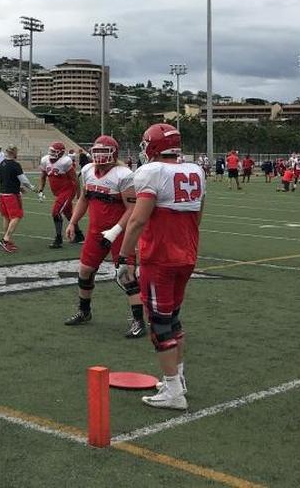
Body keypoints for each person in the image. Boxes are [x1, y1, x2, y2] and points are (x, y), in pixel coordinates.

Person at [116, 123, 203, 410]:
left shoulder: (151, 171)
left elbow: (138, 220)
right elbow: (198, 215)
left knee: (160, 325)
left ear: (151, 146)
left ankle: (174, 392)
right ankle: (177, 379)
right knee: (174, 320)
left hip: (160, 257)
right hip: (187, 254)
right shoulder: (196, 170)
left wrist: (125, 257)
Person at [63, 135, 144, 338]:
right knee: (85, 270)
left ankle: (139, 320)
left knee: (127, 275)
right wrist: (73, 222)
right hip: (95, 231)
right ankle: (84, 311)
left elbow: (132, 208)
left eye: (103, 152)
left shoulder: (123, 174)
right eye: (96, 151)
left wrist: (116, 230)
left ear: (114, 154)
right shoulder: (88, 170)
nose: (99, 156)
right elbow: (84, 198)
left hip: (121, 232)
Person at [38, 142, 81, 249]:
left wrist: (79, 195)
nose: (51, 153)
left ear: (61, 153)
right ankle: (79, 234)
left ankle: (58, 239)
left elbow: (75, 179)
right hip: (58, 192)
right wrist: (40, 190)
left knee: (55, 212)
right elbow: (43, 176)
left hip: (67, 191)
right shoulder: (45, 160)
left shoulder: (65, 162)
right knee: (68, 214)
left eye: (54, 151)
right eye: (51, 151)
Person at [0, 145, 36, 252]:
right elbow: (24, 180)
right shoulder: (15, 165)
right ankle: (6, 239)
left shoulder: (2, 164)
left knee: (6, 217)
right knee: (17, 216)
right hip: (11, 195)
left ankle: (6, 239)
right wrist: (32, 187)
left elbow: (2, 180)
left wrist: (19, 187)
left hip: (2, 193)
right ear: (14, 153)